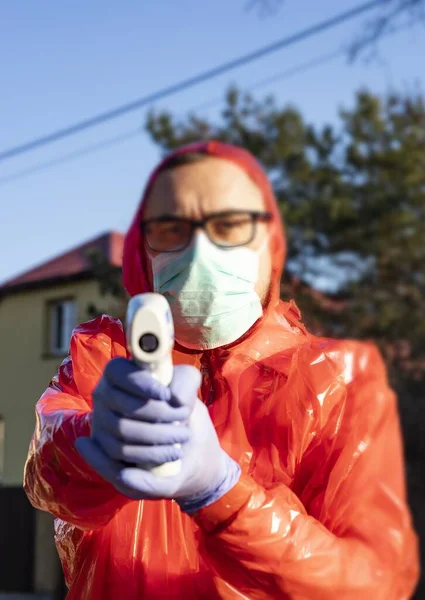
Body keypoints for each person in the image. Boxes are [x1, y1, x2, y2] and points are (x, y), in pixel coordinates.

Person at [24, 141, 419, 599]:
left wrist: (222, 494)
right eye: (172, 228)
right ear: (142, 250)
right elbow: (45, 473)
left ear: (271, 244)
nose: (200, 251)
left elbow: (371, 582)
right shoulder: (105, 357)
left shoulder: (337, 380)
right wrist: (97, 439)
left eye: (230, 225)